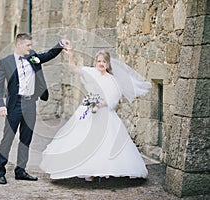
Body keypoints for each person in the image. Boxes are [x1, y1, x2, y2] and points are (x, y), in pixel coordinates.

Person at [40, 49, 151, 181]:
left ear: (108, 64)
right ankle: (88, 170)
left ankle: (101, 169)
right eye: (99, 61)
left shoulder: (111, 79)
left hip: (104, 112)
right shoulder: (90, 72)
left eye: (104, 61)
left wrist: (100, 104)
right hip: (87, 110)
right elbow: (74, 69)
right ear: (95, 62)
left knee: (104, 140)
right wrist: (70, 56)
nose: (101, 63)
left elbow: (114, 97)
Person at [0, 32, 70, 184]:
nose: (30, 47)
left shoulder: (33, 56)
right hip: (14, 105)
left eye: (31, 45)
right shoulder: (6, 62)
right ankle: (0, 172)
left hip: (30, 104)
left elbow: (48, 55)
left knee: (26, 138)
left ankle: (20, 170)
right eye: (28, 45)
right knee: (7, 138)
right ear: (18, 45)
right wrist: (0, 105)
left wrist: (60, 45)